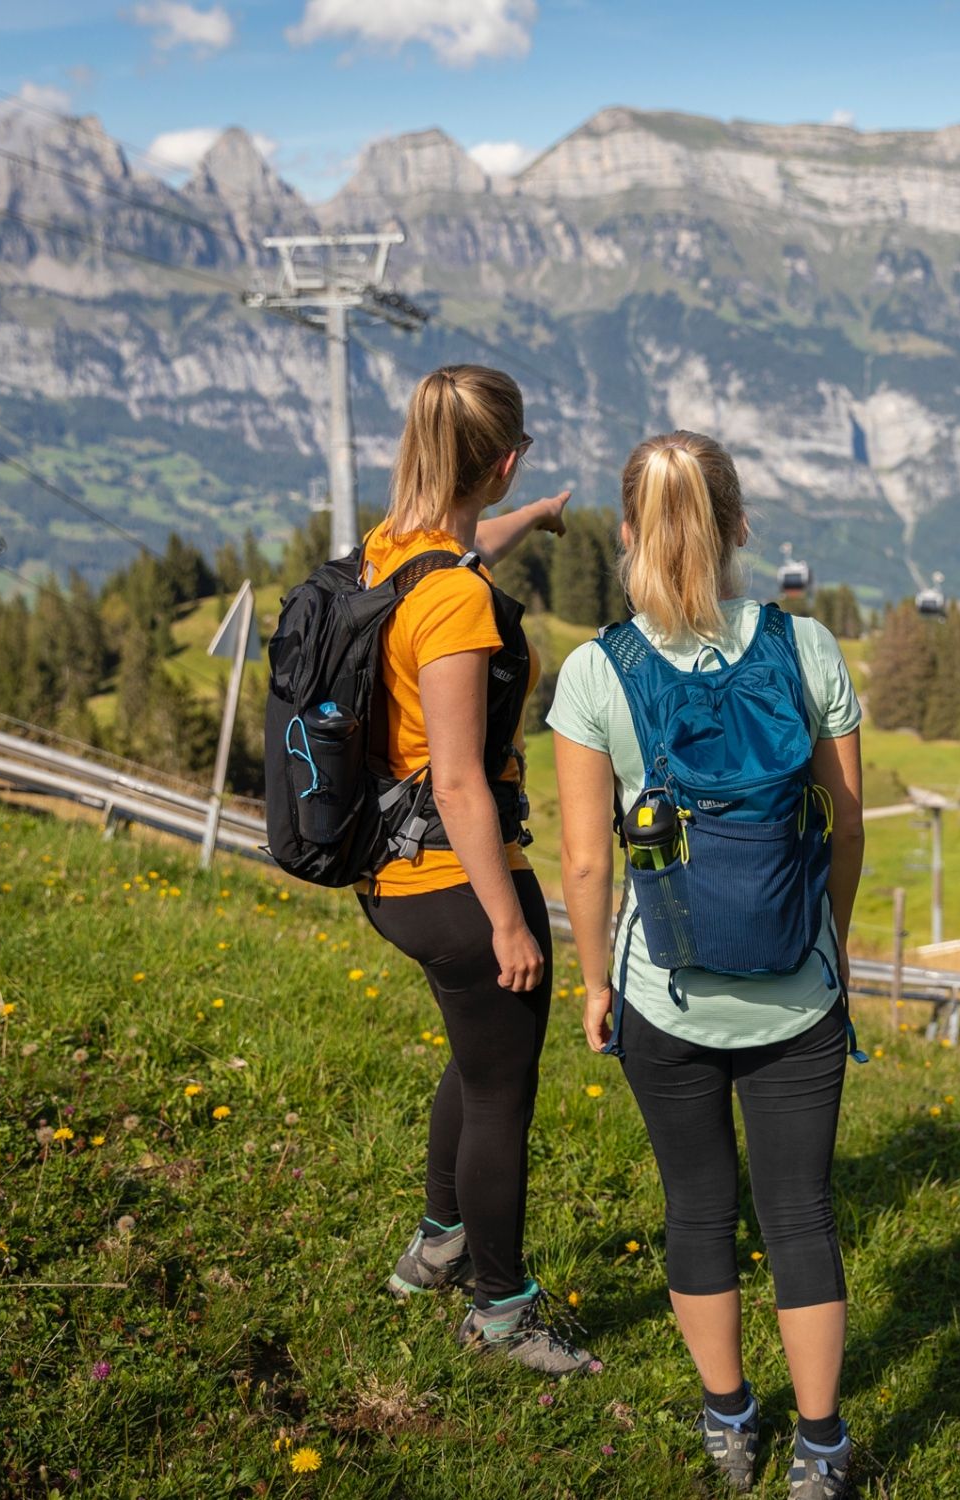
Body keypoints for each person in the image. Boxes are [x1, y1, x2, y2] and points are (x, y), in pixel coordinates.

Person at [549, 431, 867, 1496]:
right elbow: (847, 824)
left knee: (697, 1207)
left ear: (627, 533)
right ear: (737, 528)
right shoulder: (804, 644)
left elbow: (587, 862)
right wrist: (827, 941)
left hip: (664, 997)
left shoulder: (596, 670)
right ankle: (820, 1447)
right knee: (801, 1215)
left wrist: (595, 984)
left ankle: (730, 1423)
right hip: (799, 992)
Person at [356, 364, 598, 1376]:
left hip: (389, 871)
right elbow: (457, 782)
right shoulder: (455, 604)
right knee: (503, 1090)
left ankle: (439, 1245)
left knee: (476, 1054)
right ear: (498, 460)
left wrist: (523, 519)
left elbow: (451, 556)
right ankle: (500, 1312)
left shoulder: (390, 551)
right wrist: (507, 920)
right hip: (457, 879)